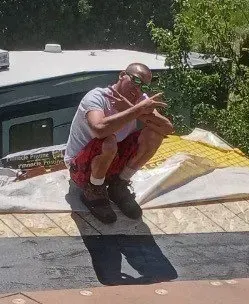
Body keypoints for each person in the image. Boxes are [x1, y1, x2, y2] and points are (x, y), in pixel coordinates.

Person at [64, 63, 174, 223]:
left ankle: (118, 185)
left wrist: (130, 107)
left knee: (154, 134)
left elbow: (167, 128)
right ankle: (94, 189)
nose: (138, 89)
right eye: (136, 81)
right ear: (122, 75)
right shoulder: (97, 97)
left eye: (143, 86)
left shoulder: (139, 101)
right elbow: (99, 129)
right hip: (82, 168)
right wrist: (136, 110)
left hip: (112, 162)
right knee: (108, 140)